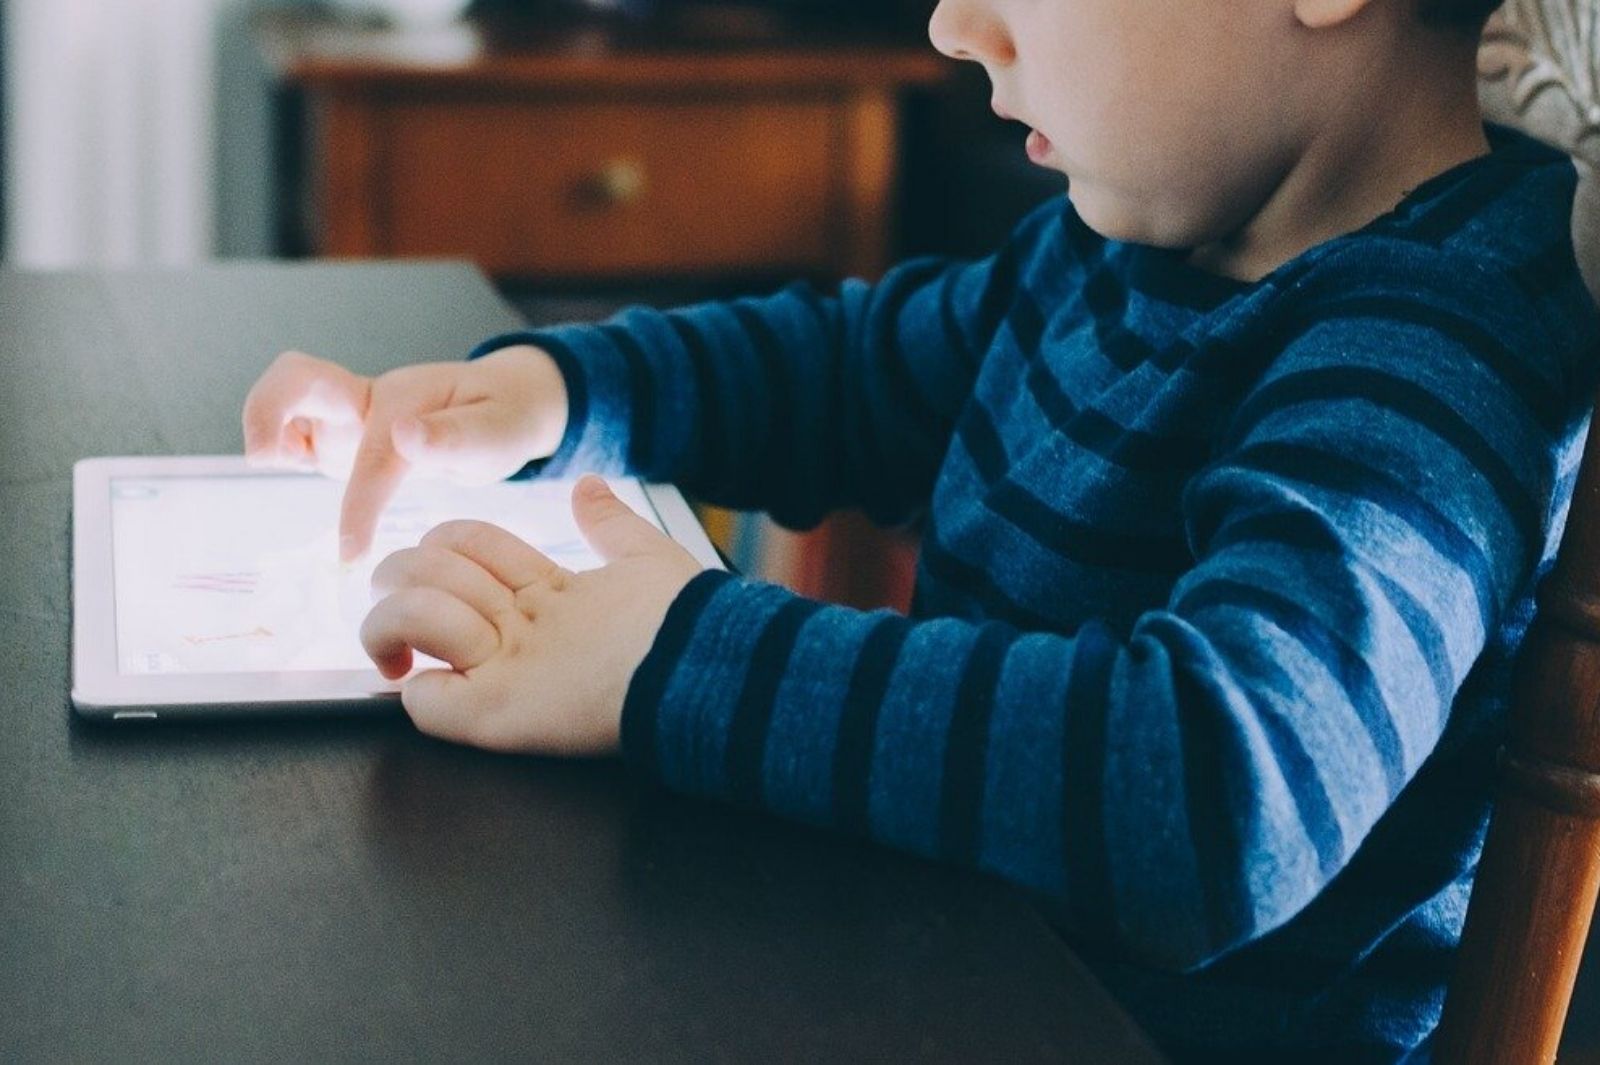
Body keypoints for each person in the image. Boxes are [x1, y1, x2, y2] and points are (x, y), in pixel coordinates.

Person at [240, 0, 1600, 1057]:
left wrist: (674, 650)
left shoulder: (1437, 351)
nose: (956, 26)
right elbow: (852, 370)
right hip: (948, 977)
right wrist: (553, 392)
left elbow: (1219, 788)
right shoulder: (1133, 244)